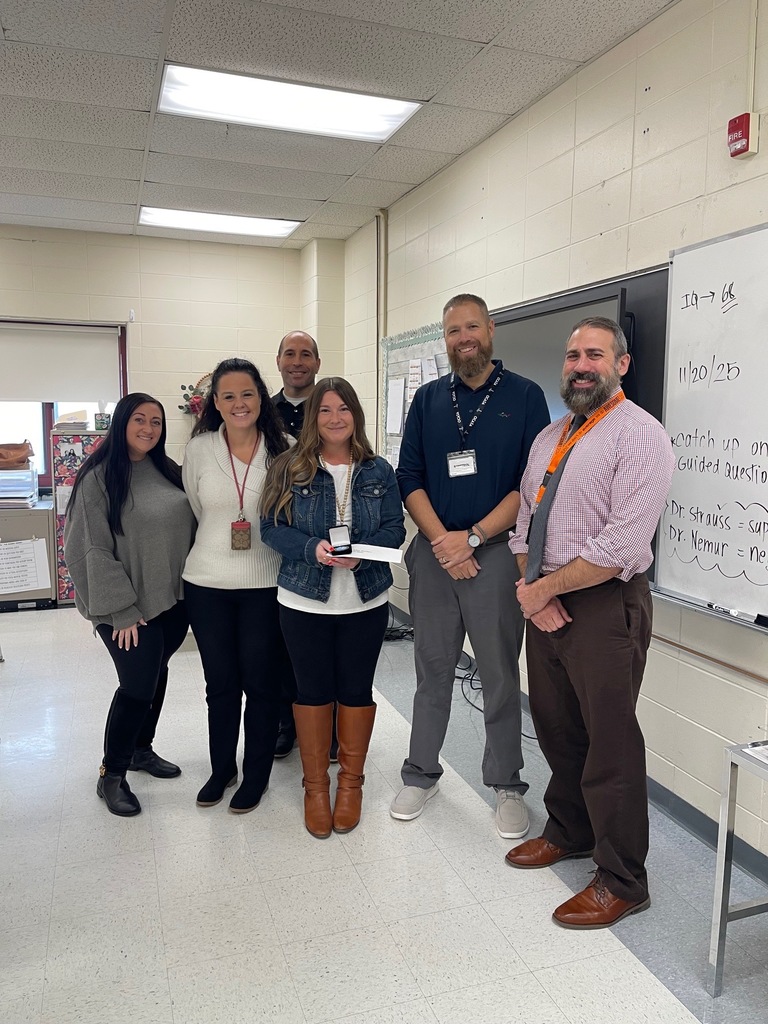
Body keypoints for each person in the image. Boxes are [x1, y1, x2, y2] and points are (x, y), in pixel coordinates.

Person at [506, 316, 675, 929]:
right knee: (556, 726)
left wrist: (541, 591)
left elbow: (621, 543)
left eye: (594, 354)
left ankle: (624, 879)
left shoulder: (640, 437)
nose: (580, 365)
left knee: (610, 741)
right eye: (573, 354)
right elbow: (526, 522)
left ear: (621, 365)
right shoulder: (552, 434)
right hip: (545, 599)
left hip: (606, 604)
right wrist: (535, 591)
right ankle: (571, 830)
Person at [391, 293, 550, 839]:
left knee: (500, 675)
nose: (464, 337)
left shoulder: (526, 398)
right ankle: (421, 773)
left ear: (491, 330)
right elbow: (408, 476)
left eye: (472, 327)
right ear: (446, 338)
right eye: (453, 329)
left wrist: (476, 537)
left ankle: (506, 785)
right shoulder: (429, 400)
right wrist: (443, 542)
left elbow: (531, 486)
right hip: (436, 557)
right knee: (432, 671)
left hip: (499, 557)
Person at [261, 377, 405, 838]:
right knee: (312, 692)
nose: (335, 417)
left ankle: (351, 784)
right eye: (325, 410)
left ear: (355, 415)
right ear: (313, 419)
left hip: (365, 599)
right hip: (304, 598)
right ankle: (315, 787)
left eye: (343, 408)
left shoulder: (378, 470)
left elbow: (393, 527)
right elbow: (270, 528)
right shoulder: (289, 467)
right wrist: (311, 549)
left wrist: (365, 549)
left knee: (356, 691)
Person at [64, 394, 195, 817]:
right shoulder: (99, 478)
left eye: (156, 422)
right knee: (137, 685)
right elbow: (89, 550)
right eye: (139, 419)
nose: (149, 428)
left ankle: (141, 748)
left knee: (157, 672)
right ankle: (112, 773)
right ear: (121, 423)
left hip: (172, 601)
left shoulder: (167, 470)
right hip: (124, 607)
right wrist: (120, 609)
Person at [182, 357, 291, 813]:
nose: (238, 403)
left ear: (260, 397)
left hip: (264, 583)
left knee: (262, 684)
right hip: (206, 582)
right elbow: (196, 505)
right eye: (228, 395)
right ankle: (222, 767)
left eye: (247, 393)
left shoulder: (282, 449)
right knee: (220, 683)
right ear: (215, 403)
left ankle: (257, 775)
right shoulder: (200, 449)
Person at [269, 330, 327, 759]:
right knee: (278, 647)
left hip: (317, 545)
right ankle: (285, 724)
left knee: (318, 647)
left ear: (317, 363)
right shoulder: (261, 413)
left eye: (306, 354)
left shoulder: (329, 410)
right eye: (290, 353)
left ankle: (330, 729)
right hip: (269, 538)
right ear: (278, 361)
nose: (298, 361)